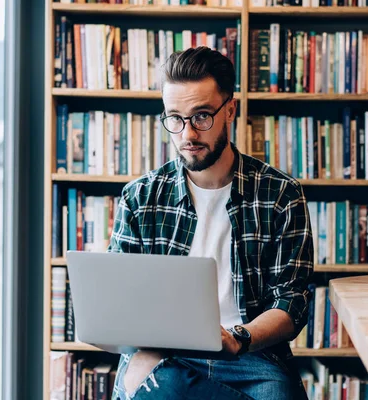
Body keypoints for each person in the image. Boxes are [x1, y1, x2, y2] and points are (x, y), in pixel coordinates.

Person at [108, 46, 314, 400]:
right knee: (160, 380)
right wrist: (139, 349)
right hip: (165, 352)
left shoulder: (281, 194)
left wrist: (238, 338)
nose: (187, 134)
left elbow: (291, 304)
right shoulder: (138, 198)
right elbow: (120, 301)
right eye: (175, 118)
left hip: (251, 356)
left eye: (201, 116)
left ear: (229, 110)